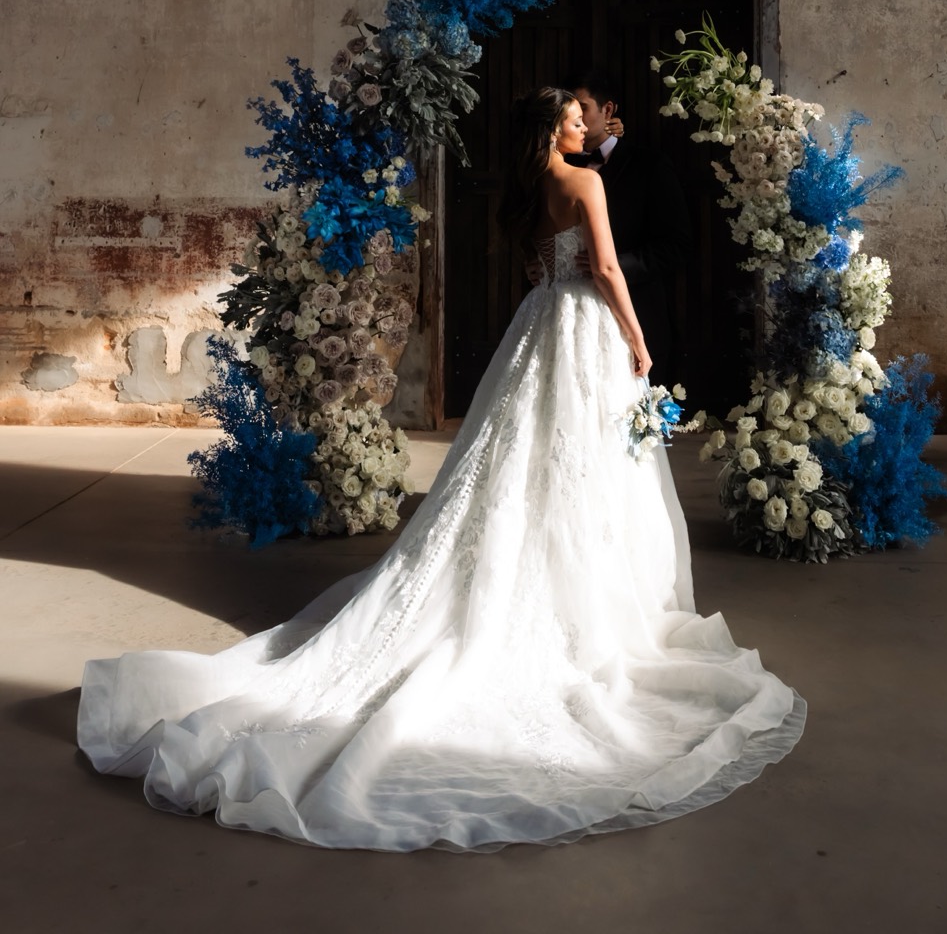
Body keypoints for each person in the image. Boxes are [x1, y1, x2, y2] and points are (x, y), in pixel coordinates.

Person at [77, 87, 805, 851]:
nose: (588, 123)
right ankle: (586, 600)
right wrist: (639, 343)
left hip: (541, 323)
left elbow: (544, 271)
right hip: (585, 325)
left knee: (522, 457)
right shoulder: (585, 181)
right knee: (581, 463)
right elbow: (610, 269)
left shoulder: (530, 189)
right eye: (576, 117)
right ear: (556, 127)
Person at [567, 66, 690, 383]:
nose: (575, 119)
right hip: (569, 320)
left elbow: (676, 246)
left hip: (637, 313)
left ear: (607, 110)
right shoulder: (559, 167)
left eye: (582, 108)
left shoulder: (650, 166)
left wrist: (612, 267)